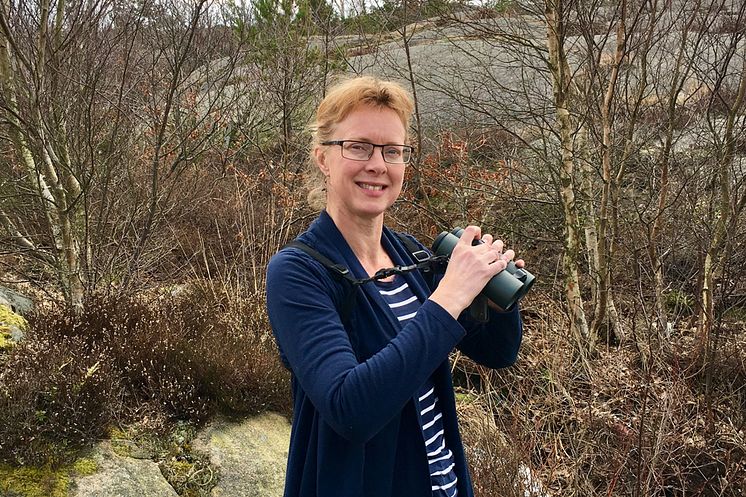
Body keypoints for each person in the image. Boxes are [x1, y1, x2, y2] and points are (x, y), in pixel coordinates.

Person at [265, 75, 524, 497]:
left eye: (392, 151)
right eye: (358, 146)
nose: (377, 164)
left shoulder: (409, 255)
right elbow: (351, 410)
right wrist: (449, 297)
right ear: (323, 158)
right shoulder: (297, 273)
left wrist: (493, 292)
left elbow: (497, 353)